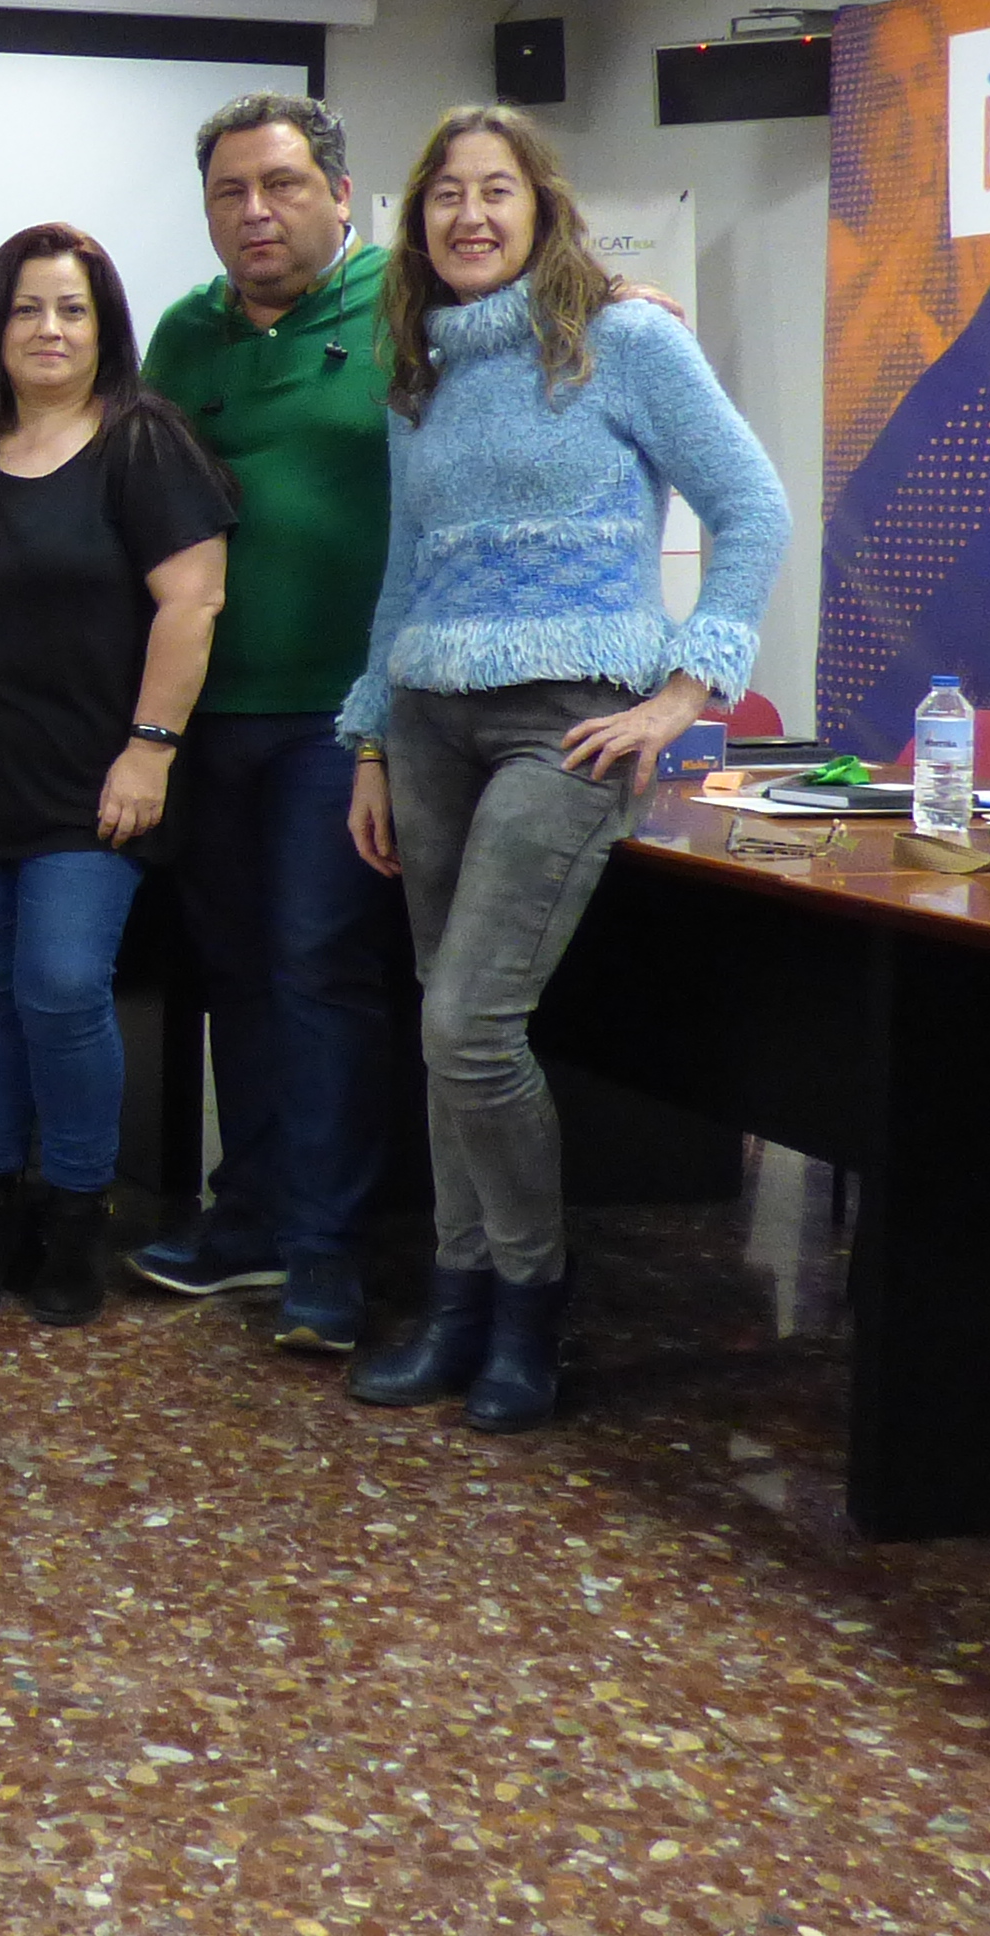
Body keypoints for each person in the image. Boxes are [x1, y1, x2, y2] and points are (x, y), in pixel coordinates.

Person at [339, 104, 789, 1434]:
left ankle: (531, 1300)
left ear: (542, 206)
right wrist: (370, 736)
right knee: (443, 1021)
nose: (470, 215)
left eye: (497, 190)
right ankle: (458, 1300)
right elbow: (404, 570)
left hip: (573, 722)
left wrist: (684, 692)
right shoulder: (418, 369)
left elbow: (753, 506)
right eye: (445, 195)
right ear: (418, 224)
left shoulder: (626, 340)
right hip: (429, 719)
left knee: (470, 1026)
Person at [0, 223, 230, 1328]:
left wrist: (150, 749)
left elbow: (194, 600)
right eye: (26, 308)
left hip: (95, 787)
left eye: (71, 308)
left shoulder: (145, 445)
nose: (49, 329)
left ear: (103, 325)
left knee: (62, 987)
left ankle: (77, 1212)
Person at [130, 92, 407, 1354]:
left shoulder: (410, 302)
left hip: (343, 722)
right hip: (210, 717)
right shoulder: (185, 334)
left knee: (318, 973)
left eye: (282, 185)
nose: (256, 212)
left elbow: (550, 322)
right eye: (230, 192)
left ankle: (327, 1251)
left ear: (339, 194)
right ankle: (247, 1215)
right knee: (236, 973)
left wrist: (629, 306)